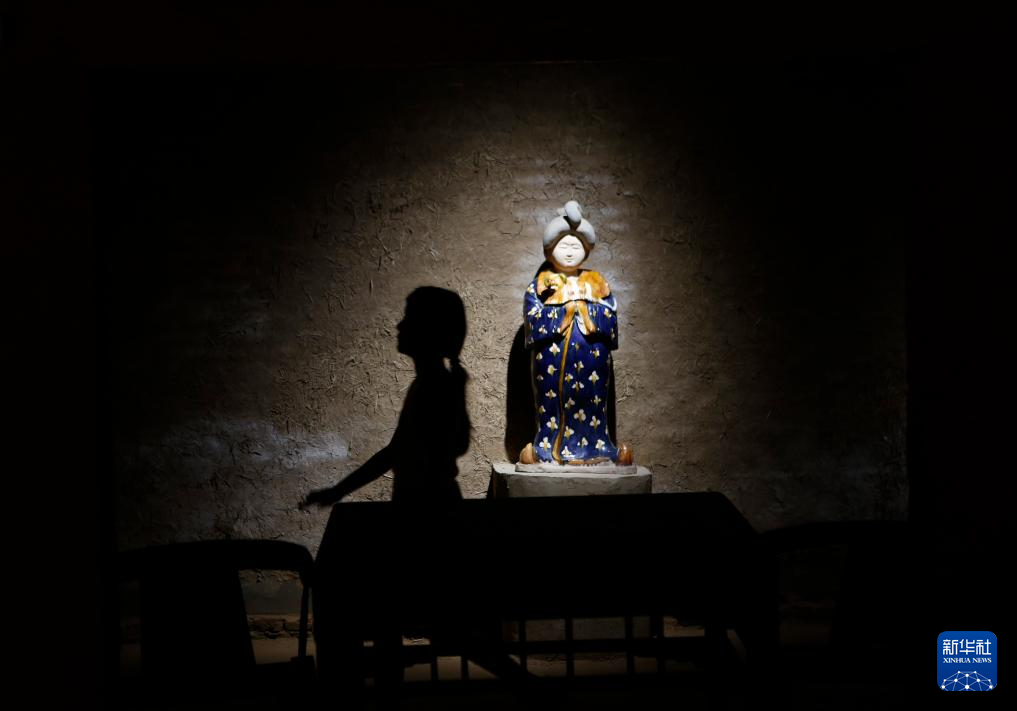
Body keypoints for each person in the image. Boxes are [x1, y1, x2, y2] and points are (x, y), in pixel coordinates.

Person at [300, 286, 470, 508]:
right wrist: (337, 491)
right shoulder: (431, 383)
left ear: (428, 330)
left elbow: (396, 453)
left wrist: (338, 491)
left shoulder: (433, 387)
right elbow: (396, 451)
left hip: (427, 509)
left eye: (409, 318)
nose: (399, 325)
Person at [520, 200, 632, 465]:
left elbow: (610, 319)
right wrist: (565, 312)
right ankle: (546, 449)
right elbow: (532, 322)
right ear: (550, 249)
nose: (569, 252)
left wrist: (585, 311)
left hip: (594, 361)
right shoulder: (539, 285)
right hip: (551, 361)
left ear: (586, 250)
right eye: (563, 246)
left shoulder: (597, 283)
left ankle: (598, 448)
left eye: (575, 246)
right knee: (552, 404)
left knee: (592, 402)